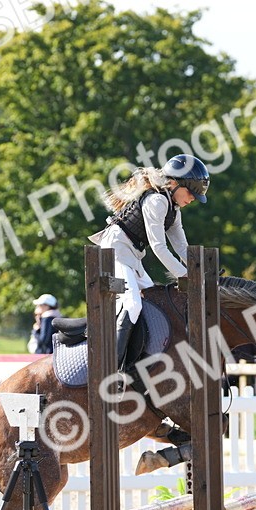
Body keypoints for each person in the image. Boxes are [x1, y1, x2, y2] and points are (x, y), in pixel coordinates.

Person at [90, 154, 208, 368]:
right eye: (191, 192)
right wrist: (185, 275)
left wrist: (202, 271)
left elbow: (182, 247)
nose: (192, 199)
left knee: (155, 302)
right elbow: (159, 247)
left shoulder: (173, 210)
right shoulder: (156, 201)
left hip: (132, 257)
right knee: (133, 304)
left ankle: (137, 362)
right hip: (114, 251)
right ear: (175, 183)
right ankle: (111, 368)